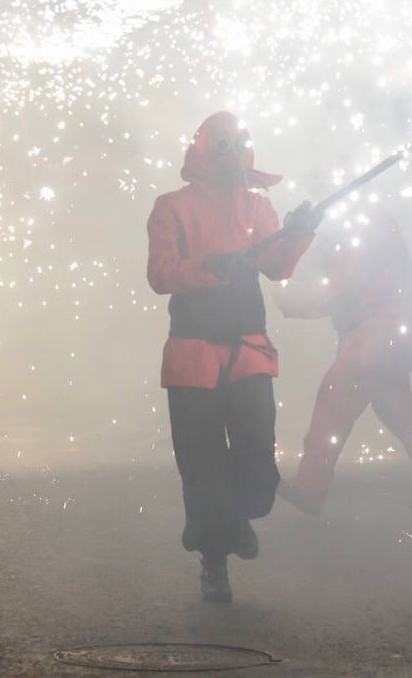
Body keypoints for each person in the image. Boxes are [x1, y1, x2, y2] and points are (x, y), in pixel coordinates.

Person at [146, 112, 319, 603]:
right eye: (219, 145)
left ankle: (236, 519)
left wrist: (299, 231)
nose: (228, 154)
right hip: (193, 355)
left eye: (235, 144)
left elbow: (276, 264)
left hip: (246, 352)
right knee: (201, 466)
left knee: (256, 458)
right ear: (203, 150)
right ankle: (214, 561)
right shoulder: (170, 207)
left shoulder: (259, 208)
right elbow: (160, 275)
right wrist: (207, 267)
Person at [272, 206, 412, 514]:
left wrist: (287, 295)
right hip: (390, 323)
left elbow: (339, 291)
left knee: (334, 396)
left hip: (380, 326)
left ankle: (309, 486)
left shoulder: (358, 225)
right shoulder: (366, 219)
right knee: (397, 407)